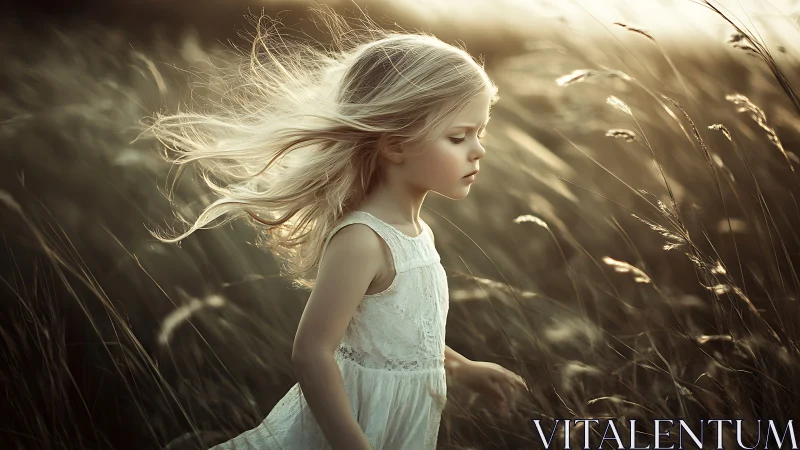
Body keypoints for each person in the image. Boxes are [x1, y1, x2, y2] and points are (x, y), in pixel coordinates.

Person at [145, 7, 527, 450]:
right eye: (459, 137)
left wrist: (461, 367)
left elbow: (399, 341)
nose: (478, 150)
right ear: (396, 144)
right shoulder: (363, 241)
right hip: (350, 429)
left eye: (481, 132)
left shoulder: (418, 233)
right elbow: (311, 353)